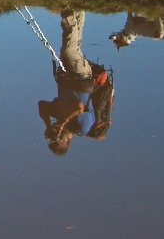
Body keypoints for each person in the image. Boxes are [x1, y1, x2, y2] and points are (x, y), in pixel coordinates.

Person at [37, 10, 113, 154]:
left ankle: (78, 9)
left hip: (68, 76)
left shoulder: (58, 115)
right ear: (67, 140)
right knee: (69, 51)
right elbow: (78, 107)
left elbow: (42, 105)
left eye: (53, 137)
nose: (57, 134)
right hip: (82, 77)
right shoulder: (82, 127)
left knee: (72, 47)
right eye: (59, 138)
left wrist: (48, 125)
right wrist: (62, 122)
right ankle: (68, 10)